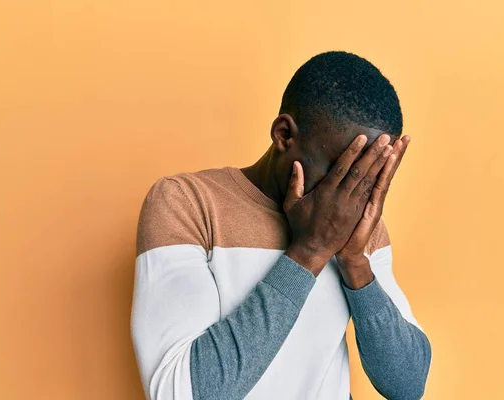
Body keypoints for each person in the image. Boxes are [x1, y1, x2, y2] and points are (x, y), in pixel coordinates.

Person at [130, 51, 432, 400]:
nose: (350, 196)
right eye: (341, 172)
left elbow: (407, 385)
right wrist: (310, 251)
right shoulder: (185, 203)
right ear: (284, 134)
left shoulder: (359, 227)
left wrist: (355, 262)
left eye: (367, 177)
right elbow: (178, 393)